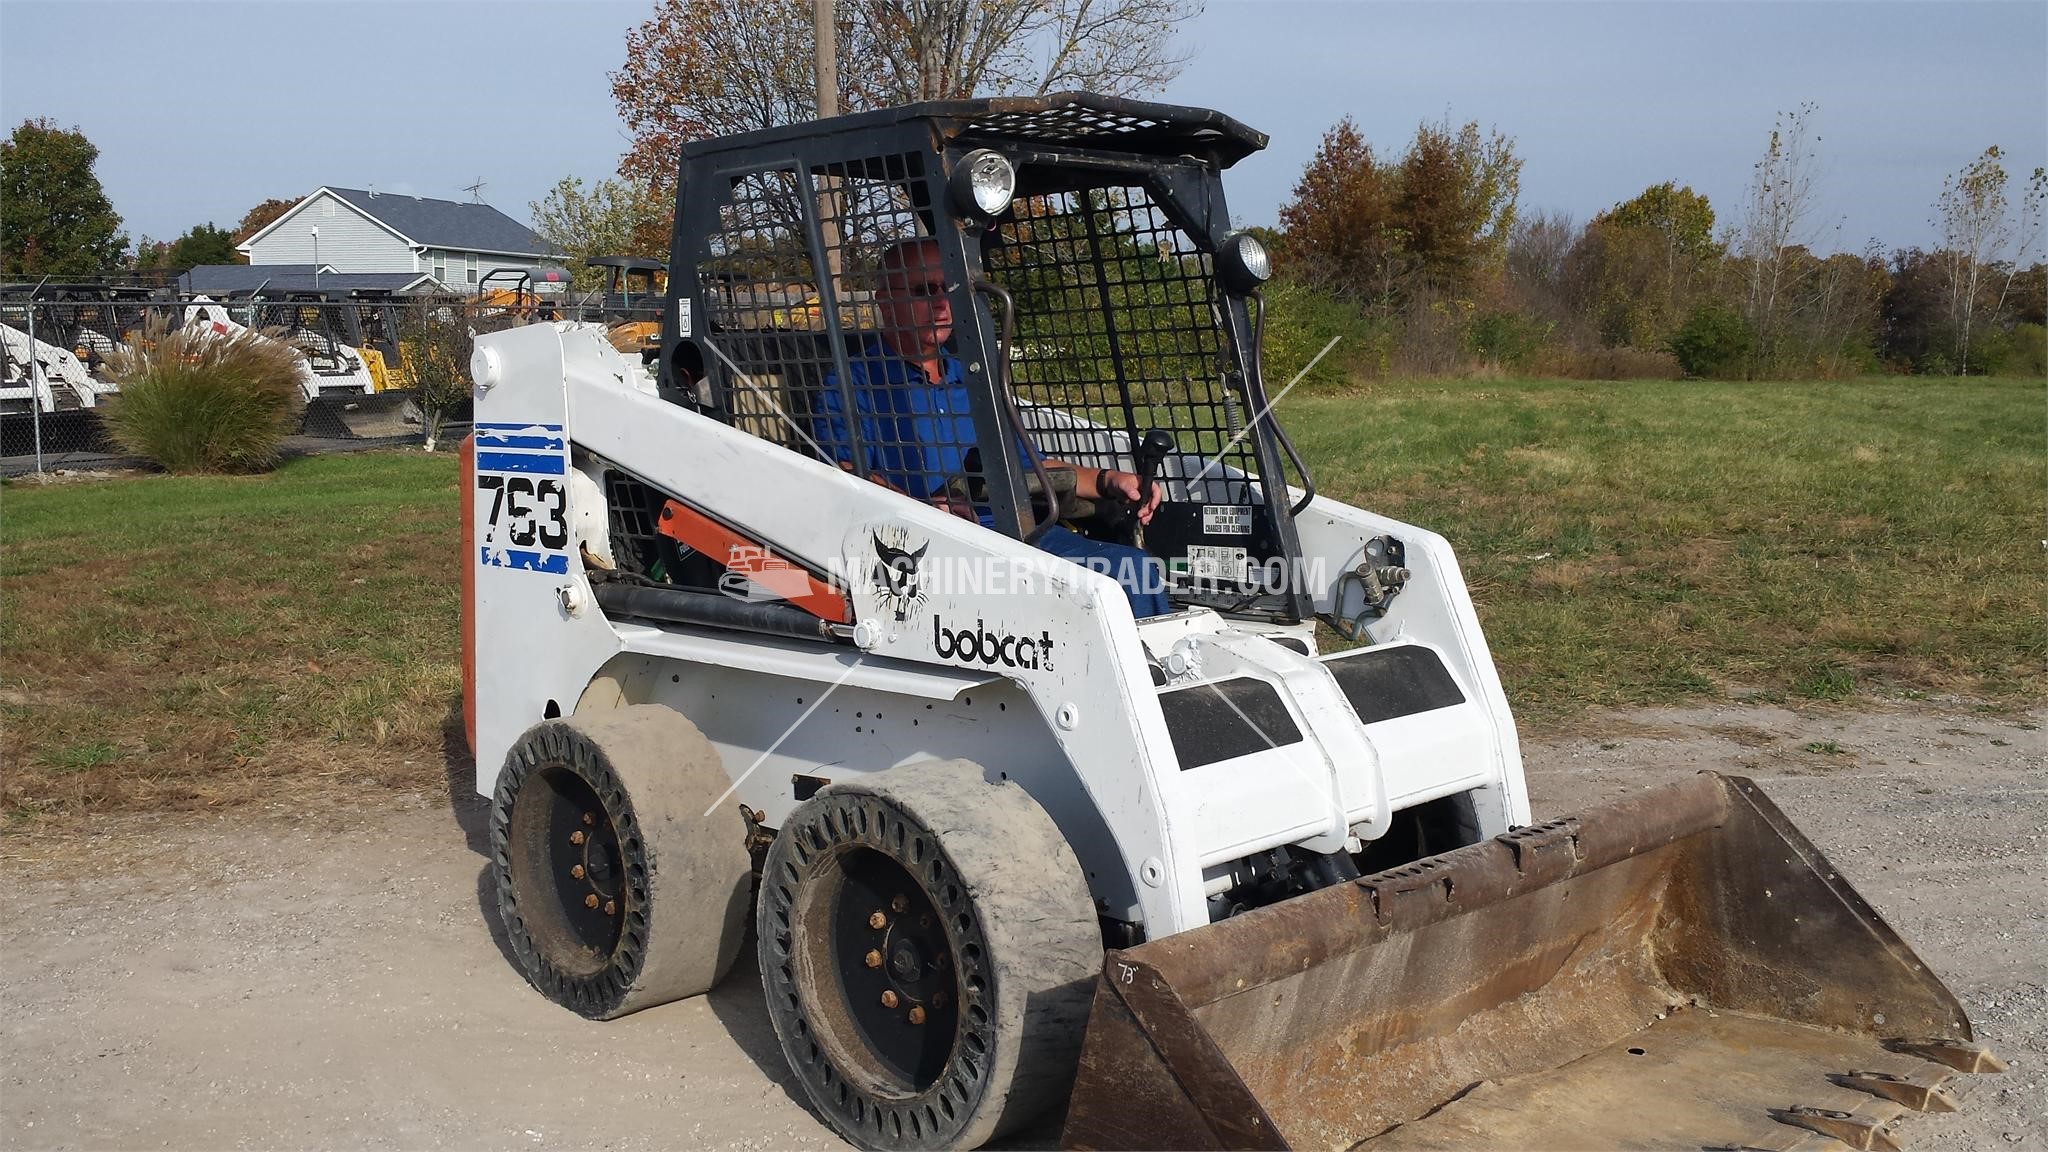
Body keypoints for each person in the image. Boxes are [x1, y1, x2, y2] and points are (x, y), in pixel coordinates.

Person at [814, 237, 1170, 618]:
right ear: (884, 301)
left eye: (948, 289)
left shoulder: (974, 382)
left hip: (1011, 533)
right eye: (923, 290)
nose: (941, 303)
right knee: (1122, 573)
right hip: (934, 551)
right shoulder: (854, 384)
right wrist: (922, 510)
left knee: (1136, 567)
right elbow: (847, 477)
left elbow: (1028, 466)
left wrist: (1108, 480)